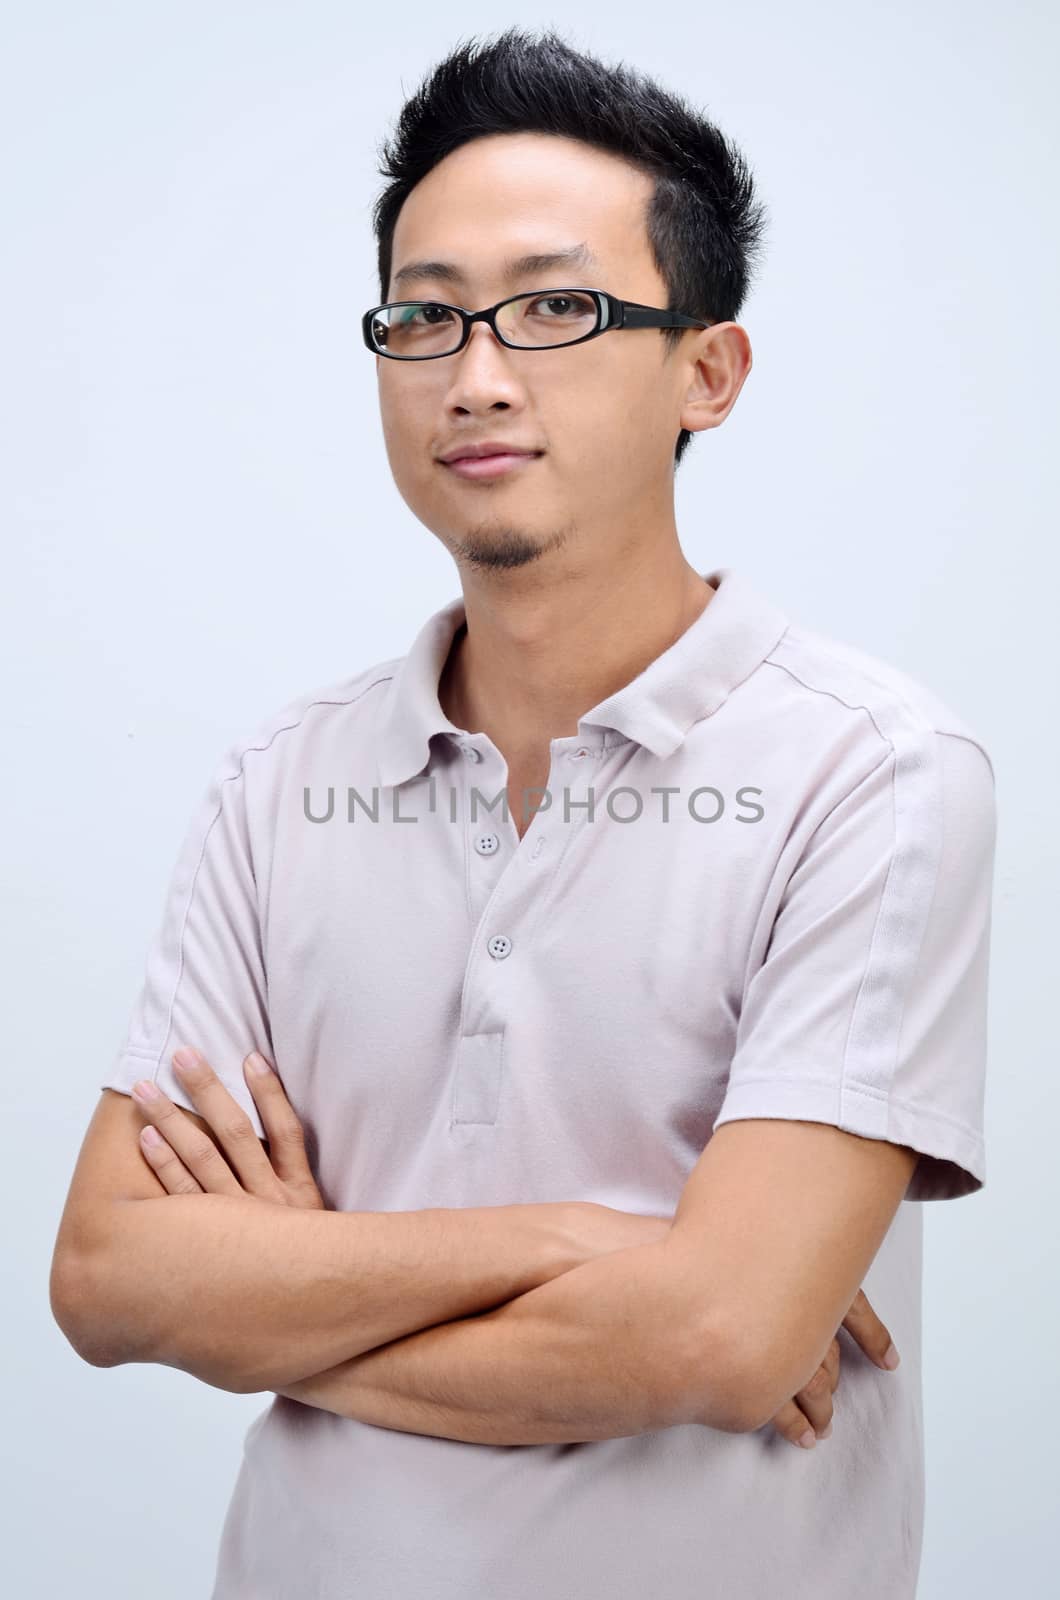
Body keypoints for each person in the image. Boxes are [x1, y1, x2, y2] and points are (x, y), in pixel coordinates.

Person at [50, 27, 997, 1600]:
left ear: (710, 369)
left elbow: (714, 1335)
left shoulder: (875, 772)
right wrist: (582, 1240)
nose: (476, 373)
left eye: (557, 308)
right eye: (423, 318)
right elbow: (107, 1279)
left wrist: (285, 1318)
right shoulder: (280, 782)